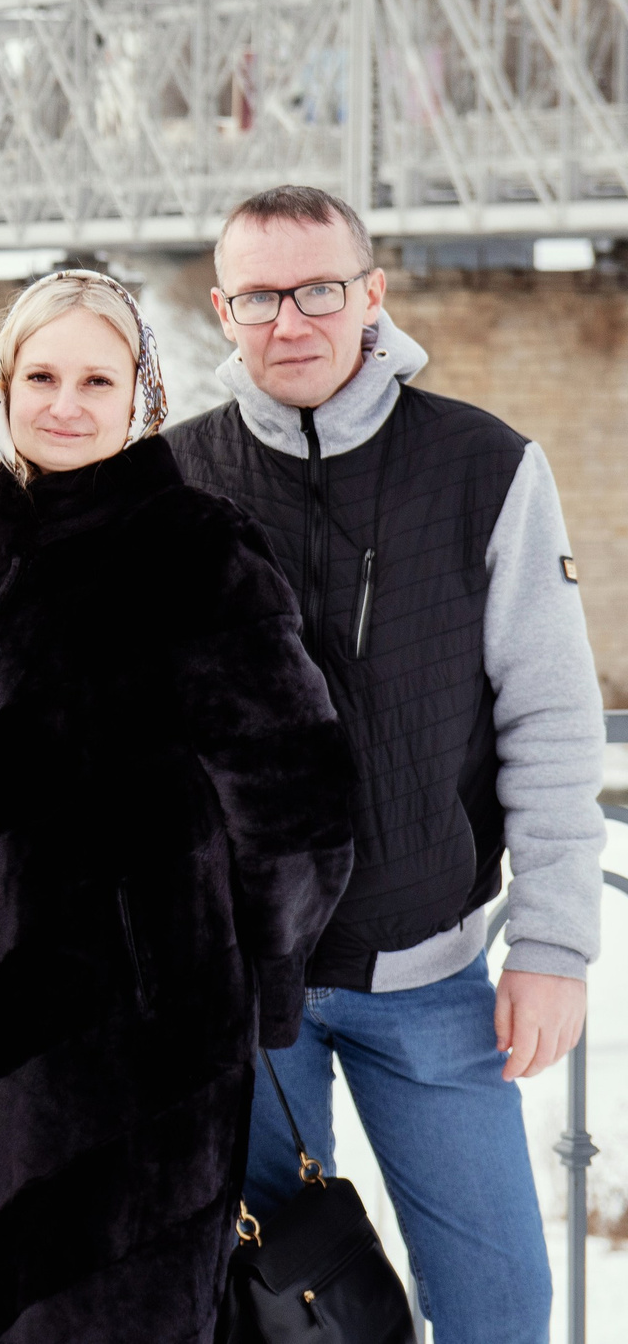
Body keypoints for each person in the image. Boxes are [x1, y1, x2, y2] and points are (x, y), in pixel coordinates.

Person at [168, 185, 607, 1344]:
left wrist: (554, 940)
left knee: (500, 1303)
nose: (290, 320)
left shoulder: (484, 464)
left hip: (433, 976)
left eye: (319, 288)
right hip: (244, 992)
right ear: (221, 309)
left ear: (372, 294)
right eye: (258, 295)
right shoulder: (169, 481)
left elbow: (553, 718)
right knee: (271, 1316)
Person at [0, 269, 357, 1342]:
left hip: (140, 1064)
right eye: (42, 375)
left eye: (95, 379)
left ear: (140, 398)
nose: (65, 402)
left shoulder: (198, 550)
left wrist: (249, 981)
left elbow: (295, 800)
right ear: (2, 387)